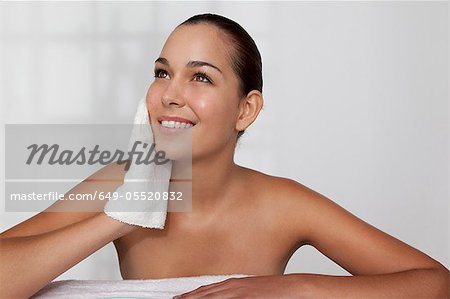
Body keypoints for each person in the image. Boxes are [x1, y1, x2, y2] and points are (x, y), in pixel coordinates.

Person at [0, 13, 448, 299]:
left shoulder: (284, 205)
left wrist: (297, 289)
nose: (170, 95)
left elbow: (435, 283)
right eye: (162, 73)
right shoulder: (117, 184)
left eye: (201, 78)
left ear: (245, 109)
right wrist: (122, 214)